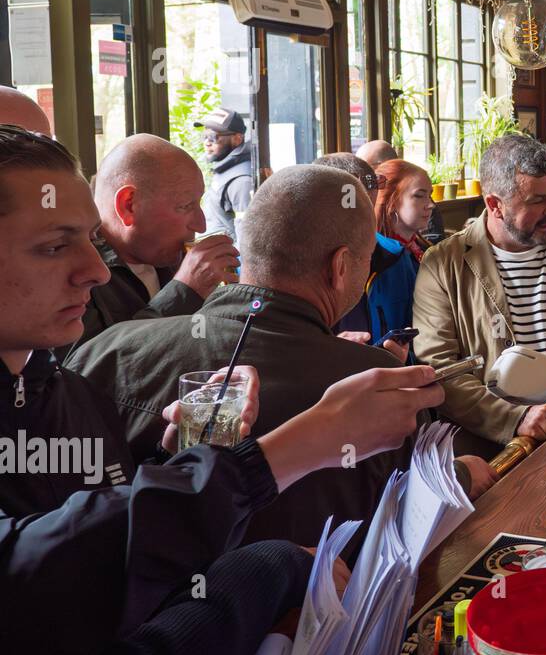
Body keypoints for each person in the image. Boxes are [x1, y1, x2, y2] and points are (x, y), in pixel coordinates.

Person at [68, 163, 496, 548]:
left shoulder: (109, 351)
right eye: (367, 261)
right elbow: (410, 523)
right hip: (333, 624)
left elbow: (79, 523)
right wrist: (458, 475)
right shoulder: (379, 385)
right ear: (341, 265)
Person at [2, 360, 448, 655]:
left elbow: (118, 566)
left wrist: (175, 464)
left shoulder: (70, 387)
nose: (97, 270)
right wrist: (293, 451)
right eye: (52, 245)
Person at [412, 134, 546, 458]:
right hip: (494, 452)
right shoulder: (443, 264)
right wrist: (517, 418)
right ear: (494, 205)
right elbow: (440, 370)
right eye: (536, 201)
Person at [56, 134, 239, 360]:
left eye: (199, 203)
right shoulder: (73, 273)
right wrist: (182, 293)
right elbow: (85, 370)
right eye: (185, 206)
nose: (200, 225)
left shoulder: (171, 257)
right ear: (128, 205)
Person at [315, 152, 418, 348]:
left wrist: (399, 360)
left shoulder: (396, 257)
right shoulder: (293, 267)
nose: (366, 223)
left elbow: (415, 340)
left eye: (369, 211)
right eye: (351, 212)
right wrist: (325, 351)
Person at [198, 108, 255, 242]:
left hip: (231, 260)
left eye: (213, 136)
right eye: (204, 136)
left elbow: (247, 239)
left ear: (237, 139)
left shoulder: (241, 181)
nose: (207, 142)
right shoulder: (226, 170)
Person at [375, 158, 435, 265]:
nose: (431, 205)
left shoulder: (424, 248)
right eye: (419, 196)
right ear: (392, 202)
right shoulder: (384, 259)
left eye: (430, 196)